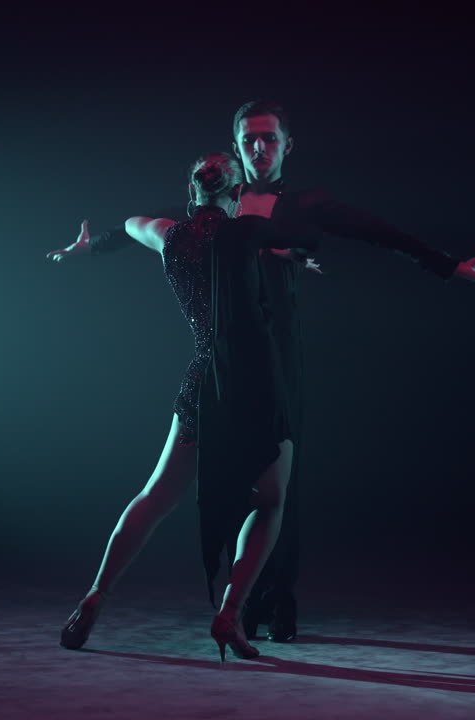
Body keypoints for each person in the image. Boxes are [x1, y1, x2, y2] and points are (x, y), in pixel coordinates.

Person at [49, 99, 475, 644]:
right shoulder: (241, 219)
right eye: (248, 141)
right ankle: (233, 609)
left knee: (198, 494)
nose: (258, 149)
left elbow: (373, 231)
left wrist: (447, 264)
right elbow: (226, 240)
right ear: (236, 156)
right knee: (269, 496)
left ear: (287, 145)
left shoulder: (236, 218)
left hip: (243, 363)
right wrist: (286, 251)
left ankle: (244, 603)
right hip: (251, 371)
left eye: (269, 139)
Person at [57, 152, 323, 661]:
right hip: (254, 386)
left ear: (192, 191)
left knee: (156, 495)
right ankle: (230, 610)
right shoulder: (248, 236)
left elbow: (132, 224)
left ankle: (96, 594)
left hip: (202, 380)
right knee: (269, 501)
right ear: (237, 193)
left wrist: (95, 245)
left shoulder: (169, 236)